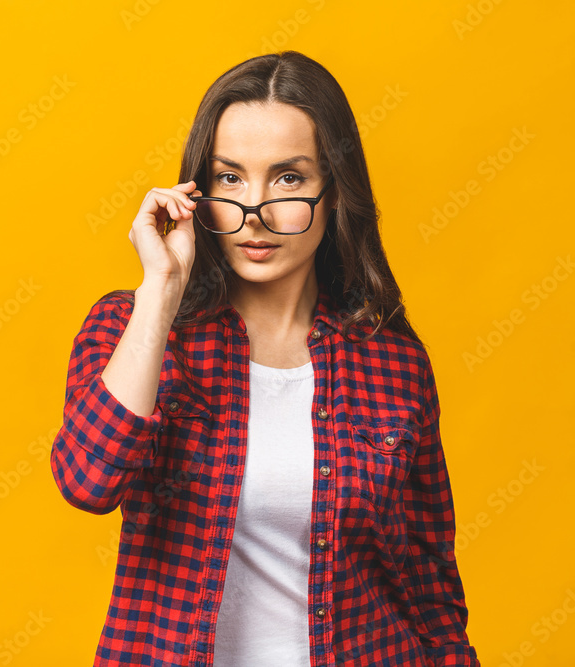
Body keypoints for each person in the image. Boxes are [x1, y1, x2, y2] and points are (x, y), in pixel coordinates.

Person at [50, 51, 479, 666]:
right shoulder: (131, 325)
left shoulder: (393, 360)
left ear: (335, 193)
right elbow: (87, 481)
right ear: (198, 191)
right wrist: (161, 292)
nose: (256, 213)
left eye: (288, 179)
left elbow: (431, 580)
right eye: (229, 179)